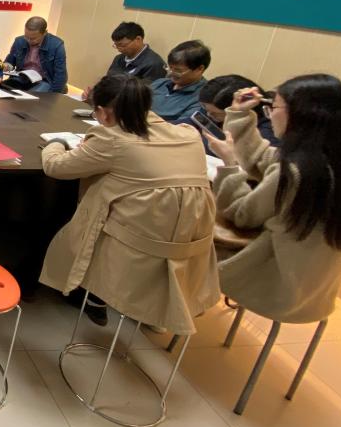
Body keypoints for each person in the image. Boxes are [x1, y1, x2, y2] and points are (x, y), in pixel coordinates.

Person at [38, 74, 218, 332]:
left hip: (138, 245)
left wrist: (56, 144)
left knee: (82, 205)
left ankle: (90, 294)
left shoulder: (112, 140)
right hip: (189, 245)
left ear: (102, 113)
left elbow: (56, 167)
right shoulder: (188, 134)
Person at [204, 75, 341, 324]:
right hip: (317, 291)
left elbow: (242, 215)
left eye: (273, 107)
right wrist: (240, 115)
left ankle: (163, 314)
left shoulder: (296, 172)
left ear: (300, 115)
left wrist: (230, 165)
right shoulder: (328, 159)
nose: (269, 114)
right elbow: (263, 158)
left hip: (274, 282)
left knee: (182, 233)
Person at [82, 21, 166, 99]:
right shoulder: (119, 58)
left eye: (122, 45)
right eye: (116, 45)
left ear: (138, 39)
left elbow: (145, 96)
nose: (119, 49)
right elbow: (108, 82)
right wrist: (96, 90)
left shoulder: (154, 63)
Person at [197, 75, 278, 147]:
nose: (208, 114)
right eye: (204, 107)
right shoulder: (211, 108)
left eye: (216, 113)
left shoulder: (267, 133)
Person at [2, 16, 67, 93]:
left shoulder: (56, 45)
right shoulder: (19, 41)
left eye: (33, 38)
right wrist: (7, 66)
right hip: (21, 78)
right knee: (0, 88)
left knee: (30, 98)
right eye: (26, 36)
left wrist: (54, 94)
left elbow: (60, 75)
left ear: (45, 33)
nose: (28, 40)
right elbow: (10, 61)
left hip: (44, 81)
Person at [149, 40, 209, 122]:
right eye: (169, 68)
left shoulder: (204, 99)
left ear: (199, 69)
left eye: (178, 70)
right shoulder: (159, 83)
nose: (170, 73)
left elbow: (182, 127)